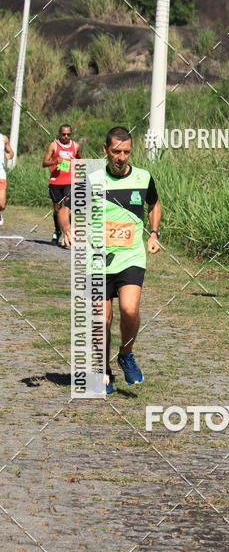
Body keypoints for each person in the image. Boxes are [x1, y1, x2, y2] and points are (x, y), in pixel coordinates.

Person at [60, 127, 161, 394]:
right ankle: (103, 371)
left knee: (129, 310)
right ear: (105, 150)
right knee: (100, 319)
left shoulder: (143, 177)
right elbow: (65, 208)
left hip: (131, 257)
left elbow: (155, 204)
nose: (121, 157)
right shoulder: (91, 179)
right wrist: (67, 230)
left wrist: (153, 233)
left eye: (126, 151)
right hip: (97, 259)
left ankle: (126, 354)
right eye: (116, 151)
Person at [42, 124, 81, 245]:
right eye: (63, 134)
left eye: (68, 134)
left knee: (68, 207)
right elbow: (44, 163)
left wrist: (78, 166)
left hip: (70, 181)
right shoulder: (53, 145)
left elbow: (80, 159)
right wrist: (54, 161)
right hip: (56, 181)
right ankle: (57, 230)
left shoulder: (76, 146)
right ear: (59, 133)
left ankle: (68, 232)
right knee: (57, 209)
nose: (66, 136)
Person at [0, 132, 15, 226]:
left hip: (1, 174)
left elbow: (11, 152)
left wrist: (10, 155)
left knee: (2, 205)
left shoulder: (3, 138)